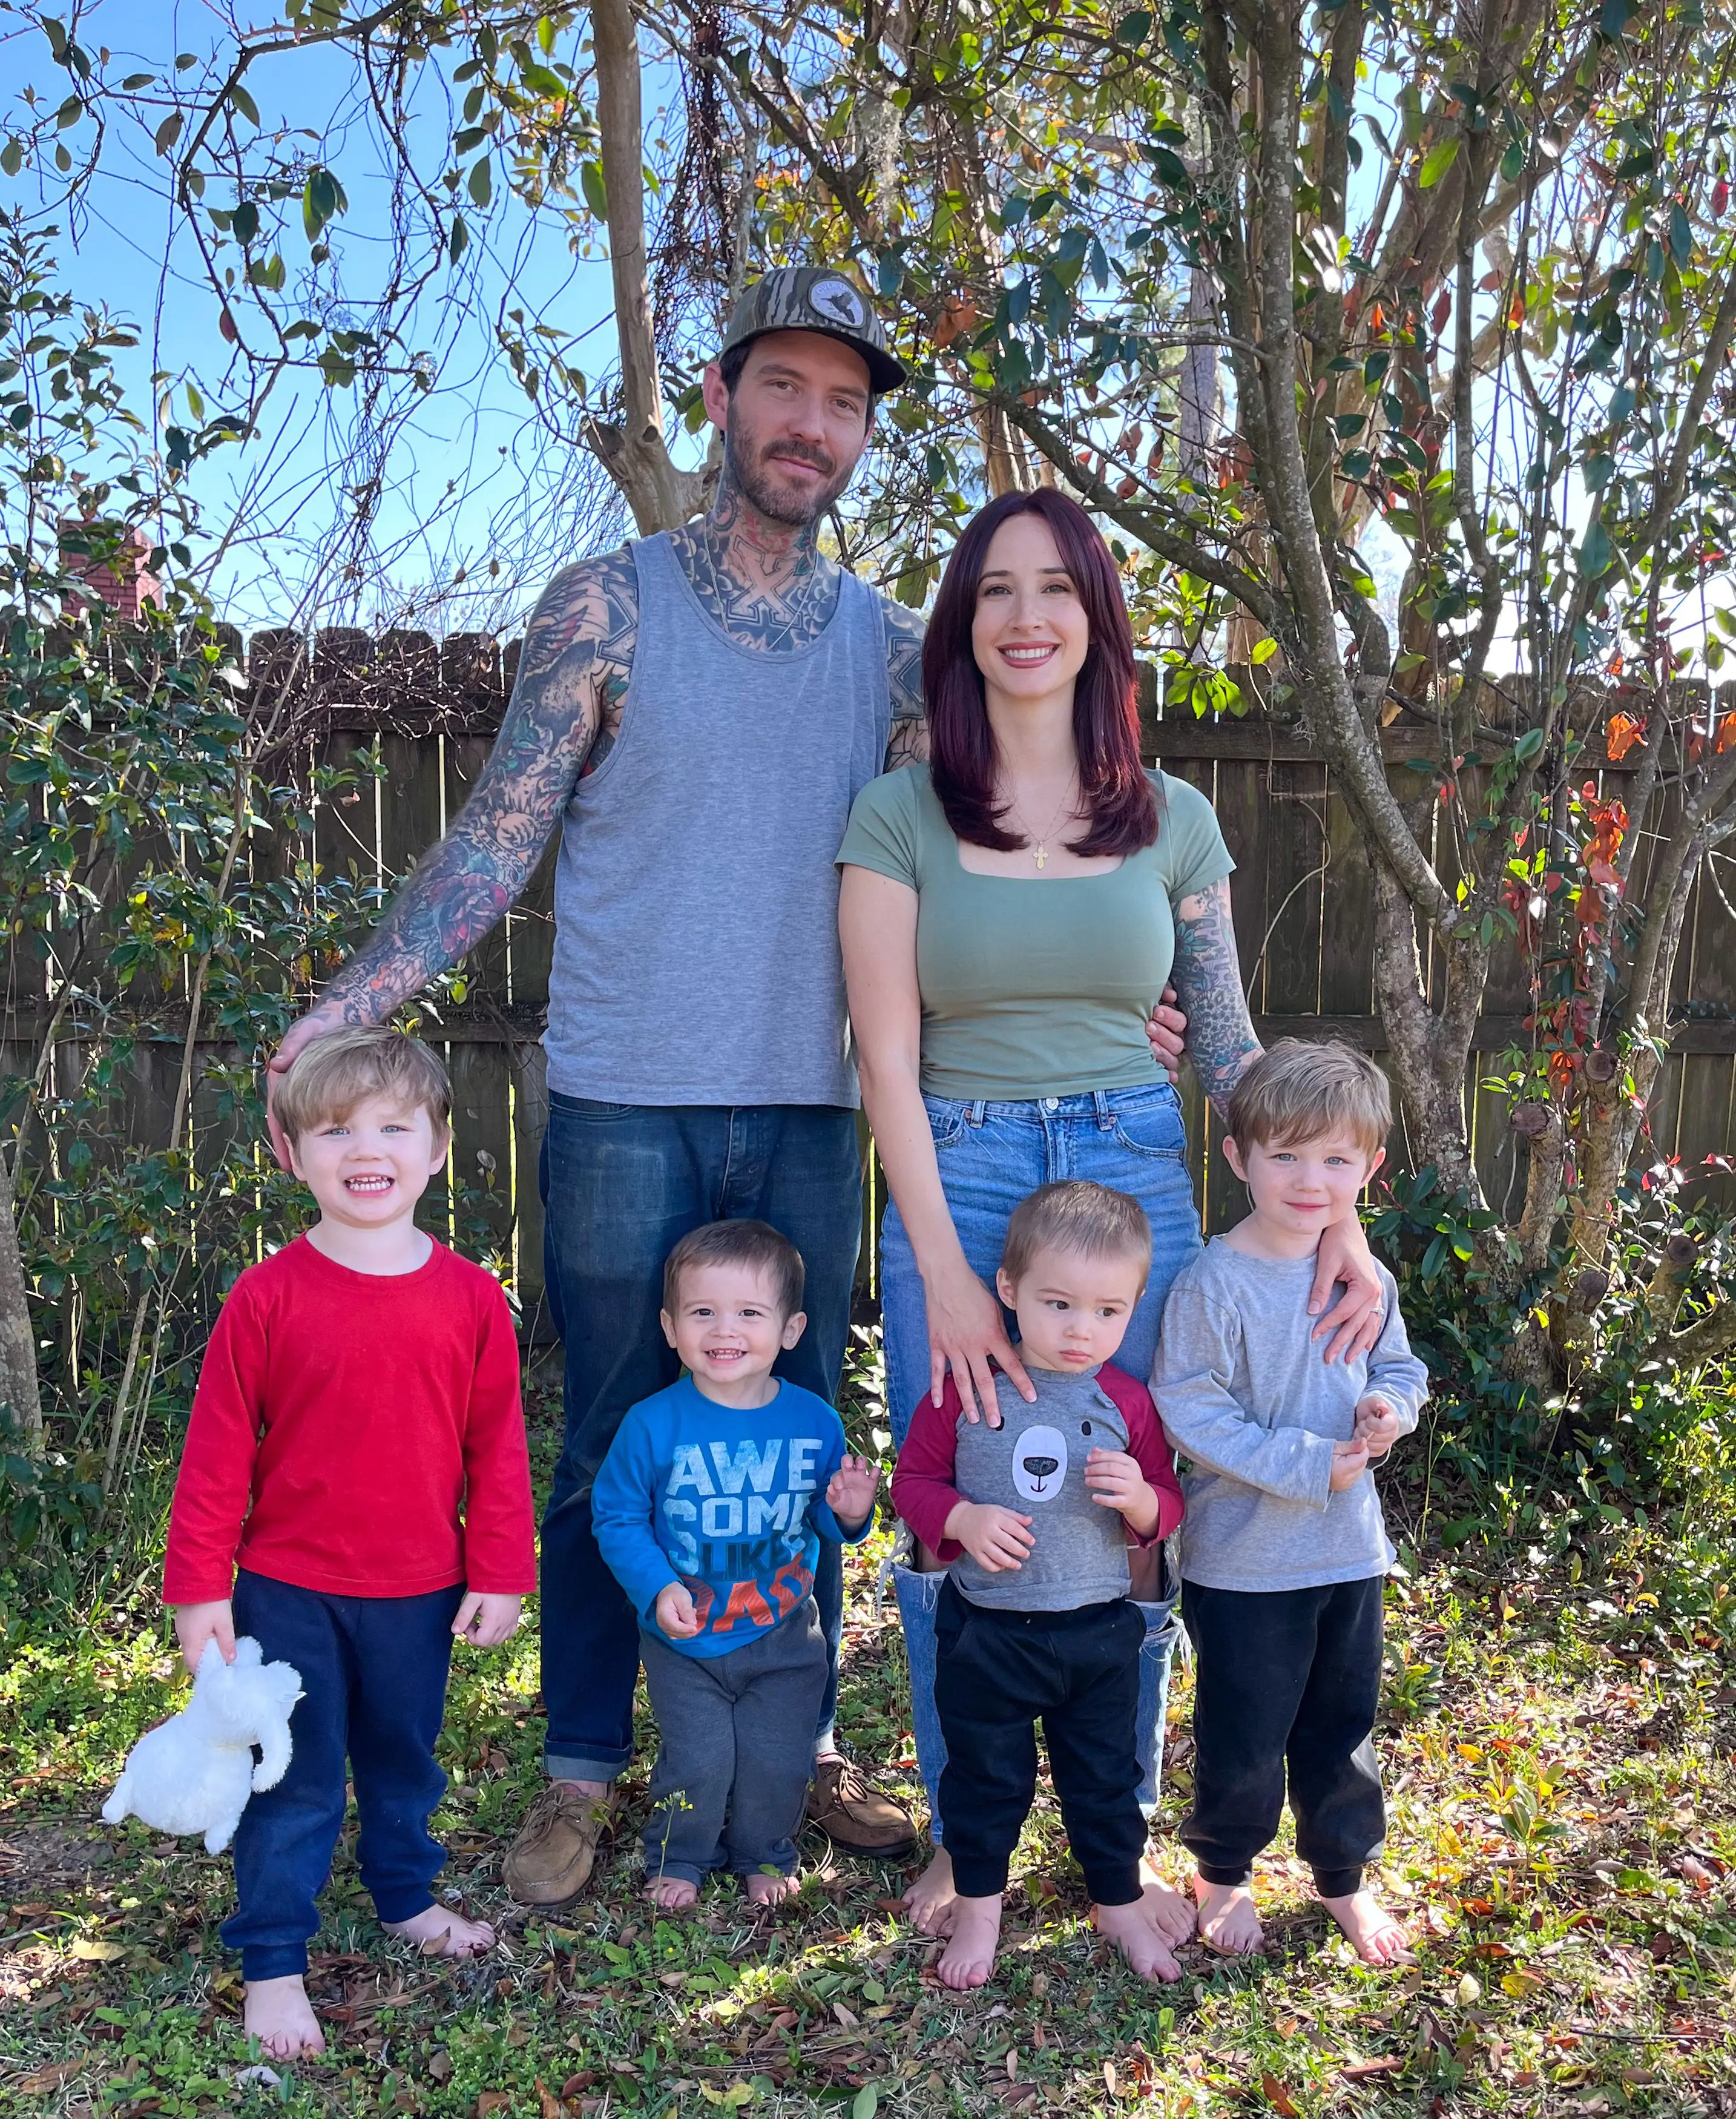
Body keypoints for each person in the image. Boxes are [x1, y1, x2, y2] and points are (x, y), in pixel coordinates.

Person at [269, 268, 1099, 1900]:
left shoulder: (883, 643)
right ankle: (585, 1763)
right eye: (782, 387)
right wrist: (359, 996)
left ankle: (792, 1734)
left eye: (844, 401)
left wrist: (1105, 992)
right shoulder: (609, 603)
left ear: (863, 436)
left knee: (803, 1436)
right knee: (611, 1437)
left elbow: (978, 855)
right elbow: (499, 835)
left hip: (813, 1101)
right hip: (627, 1093)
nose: (811, 423)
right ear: (719, 402)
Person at [837, 485, 1388, 1940]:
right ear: (964, 624)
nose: (1026, 619)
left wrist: (1341, 1218)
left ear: (1096, 621)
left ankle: (1110, 1844)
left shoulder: (1171, 819)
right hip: (952, 1165)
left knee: (1134, 1501)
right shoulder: (896, 816)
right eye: (997, 591)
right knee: (962, 1506)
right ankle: (967, 1851)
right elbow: (880, 1056)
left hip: (1133, 1172)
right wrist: (944, 1274)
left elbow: (1227, 1046)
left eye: (1056, 591)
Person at [163, 1029, 534, 2059]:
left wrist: (502, 1570)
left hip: (421, 1588)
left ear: (438, 1146)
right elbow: (216, 1455)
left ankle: (405, 1896)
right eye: (334, 1129)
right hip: (289, 1589)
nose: (363, 1148)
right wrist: (201, 1592)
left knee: (404, 1759)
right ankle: (274, 1959)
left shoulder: (469, 1300)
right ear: (293, 1153)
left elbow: (497, 1447)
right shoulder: (267, 1297)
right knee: (294, 1774)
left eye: (391, 1126)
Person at [1151, 1040, 1428, 1965]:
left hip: (1349, 1554)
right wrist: (1312, 1461)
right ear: (1237, 1157)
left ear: (1370, 1168)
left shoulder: (1366, 1277)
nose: (1311, 1181)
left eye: (1336, 1160)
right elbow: (1188, 1410)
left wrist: (1393, 1408)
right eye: (1286, 1156)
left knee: (1342, 1732)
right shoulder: (1213, 1282)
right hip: (1245, 1563)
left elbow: (1398, 1365)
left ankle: (1344, 1877)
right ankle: (1223, 1875)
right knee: (1244, 1731)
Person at [891, 1182, 1185, 1989]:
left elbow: (1167, 1505)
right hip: (988, 1634)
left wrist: (1140, 1500)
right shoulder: (966, 1386)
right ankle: (982, 1905)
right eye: (1058, 1304)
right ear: (1009, 1291)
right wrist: (959, 1522)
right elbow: (910, 1482)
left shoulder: (1127, 1402)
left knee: (1105, 1777)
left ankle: (1117, 1899)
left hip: (1097, 1633)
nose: (1081, 1331)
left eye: (1107, 1311)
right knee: (984, 1778)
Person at [593, 1221, 880, 1908]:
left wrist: (848, 1512)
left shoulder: (814, 1422)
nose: (725, 1329)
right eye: (703, 1312)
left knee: (778, 1759)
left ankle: (765, 1850)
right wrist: (657, 1584)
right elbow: (617, 1515)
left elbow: (822, 1522)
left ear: (790, 1327)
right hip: (686, 1639)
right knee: (698, 1759)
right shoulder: (652, 1423)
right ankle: (681, 1853)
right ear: (670, 1325)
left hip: (784, 1635)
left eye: (750, 1312)